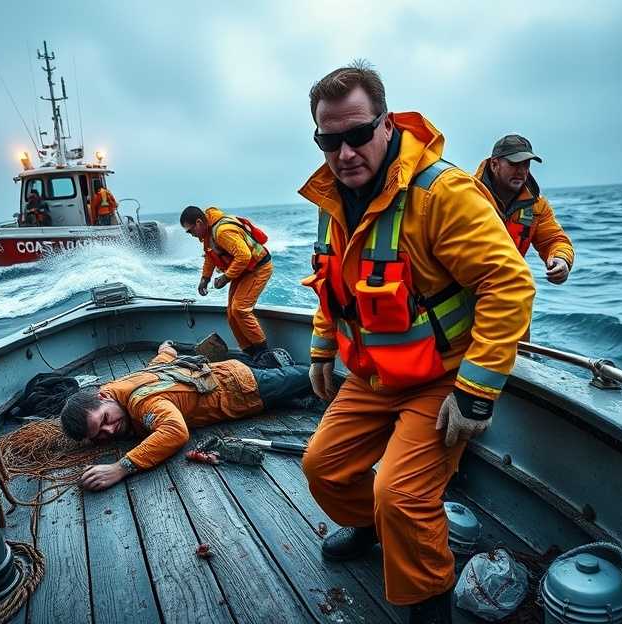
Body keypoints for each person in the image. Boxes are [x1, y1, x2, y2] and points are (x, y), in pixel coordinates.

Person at [298, 61, 534, 623]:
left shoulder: (442, 193)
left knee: (401, 495)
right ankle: (369, 529)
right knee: (321, 468)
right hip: (373, 374)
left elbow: (509, 282)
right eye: (328, 140)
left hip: (440, 377)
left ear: (386, 123)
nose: (344, 152)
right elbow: (336, 285)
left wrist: (477, 389)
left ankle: (429, 607)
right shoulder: (333, 199)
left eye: (357, 134)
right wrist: (321, 346)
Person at [60, 342, 311, 491]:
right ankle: (274, 367)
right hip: (225, 369)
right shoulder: (118, 386)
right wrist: (166, 350)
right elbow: (155, 367)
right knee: (293, 389)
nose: (111, 431)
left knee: (311, 376)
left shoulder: (140, 403)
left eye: (105, 420)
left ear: (103, 399)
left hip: (244, 389)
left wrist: (121, 467)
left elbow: (174, 431)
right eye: (100, 435)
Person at [475, 134, 574, 284]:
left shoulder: (537, 206)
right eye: (514, 164)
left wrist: (562, 259)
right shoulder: (467, 195)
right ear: (494, 164)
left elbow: (553, 240)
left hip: (503, 289)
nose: (521, 171)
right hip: (458, 288)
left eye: (526, 164)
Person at [180, 205, 273, 356]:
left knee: (240, 309)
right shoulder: (208, 233)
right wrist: (205, 278)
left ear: (198, 223)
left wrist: (225, 277)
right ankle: (250, 352)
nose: (191, 234)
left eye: (190, 230)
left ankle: (264, 353)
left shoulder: (222, 232)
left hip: (258, 268)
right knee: (231, 314)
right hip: (243, 271)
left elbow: (244, 256)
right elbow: (211, 256)